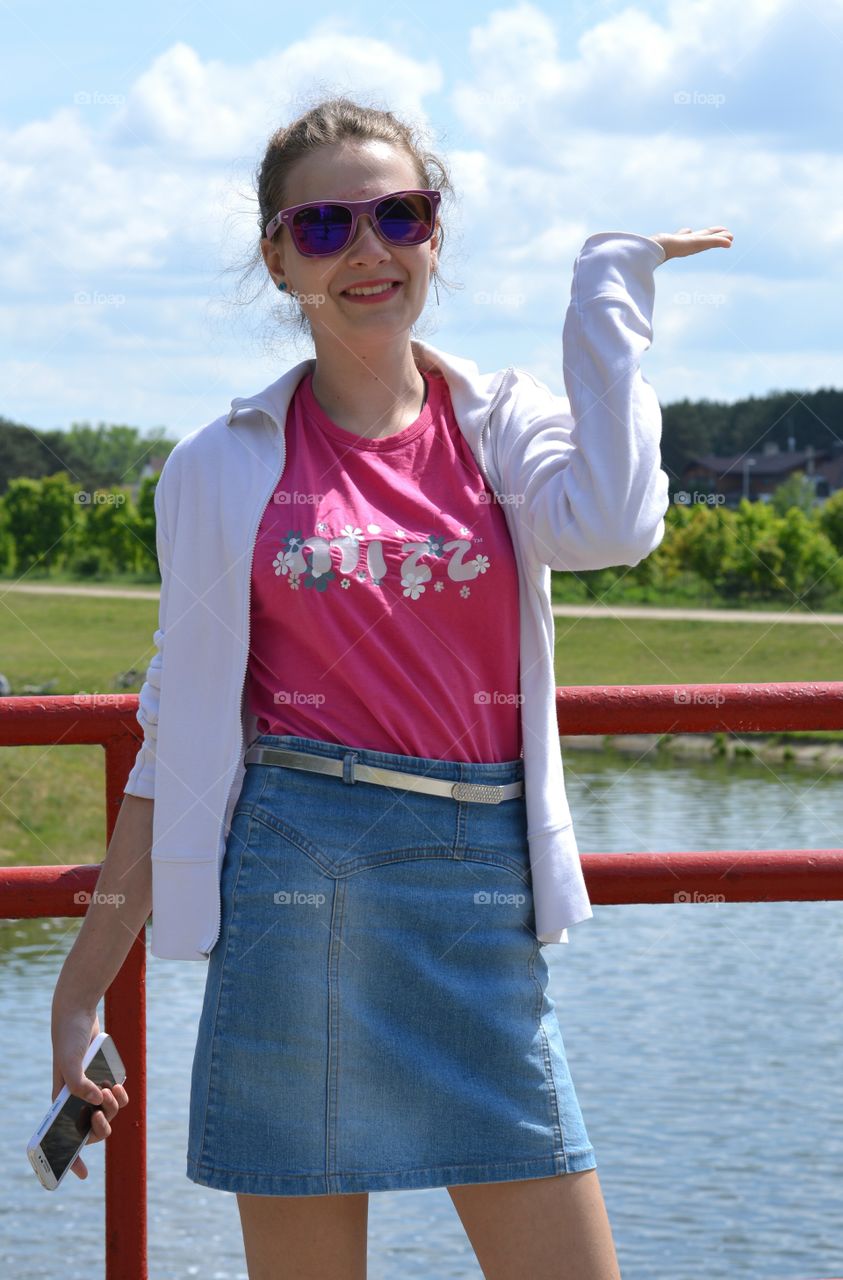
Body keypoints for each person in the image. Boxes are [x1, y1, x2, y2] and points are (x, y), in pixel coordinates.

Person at [51, 94, 732, 1280]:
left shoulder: (500, 424)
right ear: (278, 255)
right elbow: (181, 732)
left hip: (481, 894)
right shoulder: (219, 465)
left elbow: (617, 523)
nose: (368, 248)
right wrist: (78, 992)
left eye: (397, 214)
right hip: (296, 883)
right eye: (325, 225)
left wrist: (609, 292)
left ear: (434, 235)